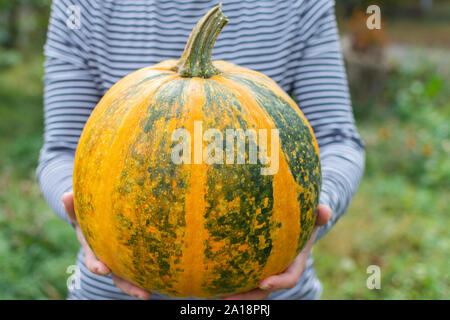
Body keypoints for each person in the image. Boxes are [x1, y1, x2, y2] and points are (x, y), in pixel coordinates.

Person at [38, 0, 365, 300]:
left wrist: (307, 221)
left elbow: (337, 138)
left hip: (270, 285)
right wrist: (90, 221)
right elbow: (63, 148)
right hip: (112, 284)